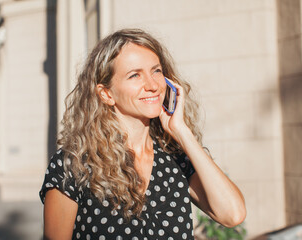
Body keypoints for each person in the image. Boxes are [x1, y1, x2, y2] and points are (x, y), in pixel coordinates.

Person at [39, 28, 246, 240]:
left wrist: (181, 132)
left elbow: (233, 214)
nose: (153, 85)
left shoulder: (176, 158)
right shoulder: (73, 165)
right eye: (135, 75)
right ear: (106, 93)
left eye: (156, 71)